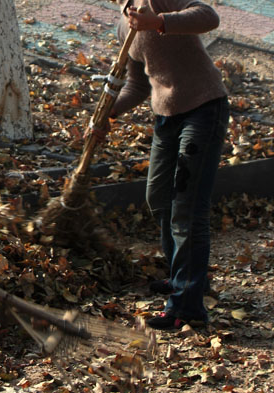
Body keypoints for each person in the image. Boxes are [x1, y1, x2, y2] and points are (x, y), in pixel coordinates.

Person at [94, 1, 229, 330]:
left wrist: (159, 21)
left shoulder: (159, 3)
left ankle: (188, 305)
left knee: (187, 208)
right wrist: (107, 114)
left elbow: (209, 17)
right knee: (159, 198)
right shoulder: (125, 24)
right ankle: (182, 277)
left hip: (203, 108)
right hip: (166, 118)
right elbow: (138, 85)